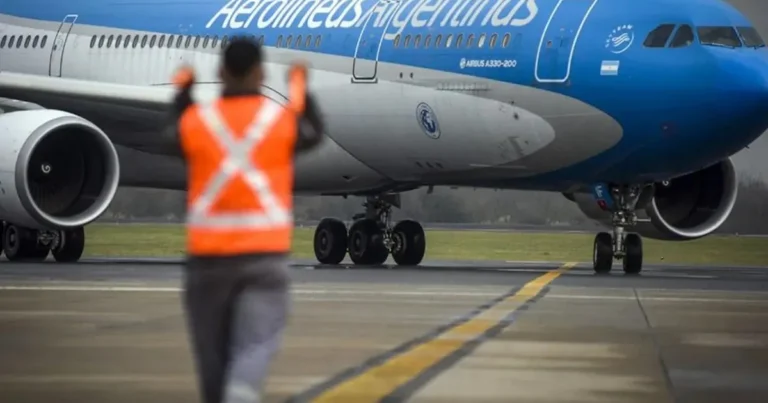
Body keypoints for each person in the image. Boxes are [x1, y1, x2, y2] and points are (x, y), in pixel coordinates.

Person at [162, 36, 325, 403]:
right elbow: (313, 132)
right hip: (263, 258)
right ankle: (242, 394)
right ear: (260, 73)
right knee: (255, 345)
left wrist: (183, 93)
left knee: (212, 359)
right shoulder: (278, 120)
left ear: (220, 72)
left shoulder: (199, 120)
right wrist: (300, 87)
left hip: (207, 263)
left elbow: (171, 136)